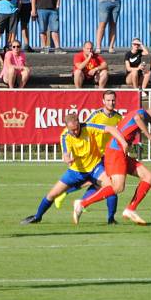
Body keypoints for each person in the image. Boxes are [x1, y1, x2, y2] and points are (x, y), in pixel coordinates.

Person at [21, 112, 128, 225]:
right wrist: (67, 159)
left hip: (95, 167)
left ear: (79, 123)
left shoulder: (88, 127)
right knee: (52, 194)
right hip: (76, 171)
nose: (76, 132)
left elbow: (111, 129)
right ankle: (37, 217)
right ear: (67, 127)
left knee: (112, 188)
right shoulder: (65, 136)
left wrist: (123, 142)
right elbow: (65, 153)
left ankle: (111, 220)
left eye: (77, 128)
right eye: (73, 130)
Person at [72, 103, 151, 225]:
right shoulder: (142, 114)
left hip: (120, 152)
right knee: (118, 187)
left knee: (148, 176)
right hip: (115, 151)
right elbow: (137, 119)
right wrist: (149, 136)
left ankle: (130, 209)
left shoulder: (138, 112)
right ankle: (82, 203)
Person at [51, 90, 124, 223]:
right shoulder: (95, 115)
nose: (111, 102)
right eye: (108, 100)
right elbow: (83, 130)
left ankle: (75, 199)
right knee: (108, 185)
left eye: (113, 100)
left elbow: (119, 133)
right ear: (103, 101)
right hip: (97, 156)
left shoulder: (118, 117)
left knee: (99, 184)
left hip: (110, 155)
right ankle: (107, 216)